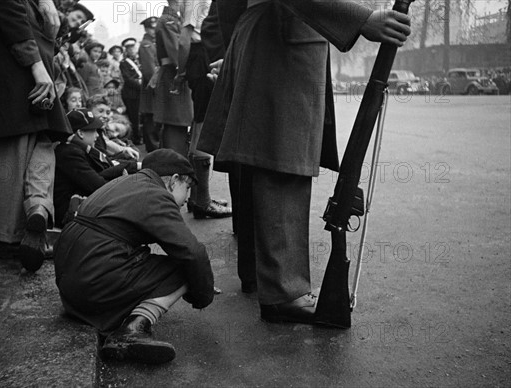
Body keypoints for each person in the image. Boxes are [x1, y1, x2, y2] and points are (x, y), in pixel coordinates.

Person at [198, 0, 411, 323]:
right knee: (282, 158)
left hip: (276, 33)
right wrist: (361, 19)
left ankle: (268, 279)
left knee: (270, 155)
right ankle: (283, 291)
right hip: (282, 35)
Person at [54, 148, 214, 364]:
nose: (187, 198)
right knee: (185, 267)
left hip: (69, 284)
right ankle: (132, 330)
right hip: (90, 280)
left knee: (162, 260)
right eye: (187, 188)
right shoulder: (156, 194)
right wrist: (201, 294)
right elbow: (193, 253)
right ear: (173, 181)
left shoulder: (124, 184)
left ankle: (120, 317)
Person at [0, 0, 72, 271]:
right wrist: (37, 66)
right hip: (16, 58)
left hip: (18, 57)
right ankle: (20, 228)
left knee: (36, 143)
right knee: (26, 143)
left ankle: (29, 219)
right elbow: (9, 11)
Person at [177, 0, 232, 219]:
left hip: (200, 56)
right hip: (202, 56)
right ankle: (203, 201)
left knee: (199, 124)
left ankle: (197, 197)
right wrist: (181, 71)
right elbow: (185, 40)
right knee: (203, 125)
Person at [54, 109, 139, 227]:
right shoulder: (69, 153)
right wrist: (122, 182)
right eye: (93, 131)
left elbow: (104, 170)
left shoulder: (82, 149)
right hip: (68, 213)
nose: (97, 135)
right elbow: (97, 184)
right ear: (80, 133)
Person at [154, 1, 194, 158]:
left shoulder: (174, 19)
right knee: (175, 125)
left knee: (180, 125)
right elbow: (177, 52)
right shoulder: (167, 20)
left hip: (176, 75)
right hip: (174, 76)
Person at [138, 16, 161, 152]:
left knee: (153, 119)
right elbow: (149, 71)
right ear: (146, 29)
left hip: (152, 88)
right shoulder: (146, 45)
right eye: (152, 28)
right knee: (151, 120)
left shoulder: (152, 43)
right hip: (151, 88)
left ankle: (153, 148)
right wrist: (158, 87)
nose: (154, 31)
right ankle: (153, 149)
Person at [119, 38, 143, 145]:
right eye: (129, 48)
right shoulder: (124, 63)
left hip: (139, 93)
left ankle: (140, 136)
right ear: (126, 50)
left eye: (133, 47)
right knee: (134, 117)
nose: (132, 50)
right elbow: (128, 79)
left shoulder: (139, 60)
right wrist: (142, 87)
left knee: (140, 115)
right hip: (131, 94)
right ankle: (136, 138)